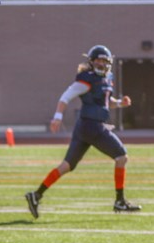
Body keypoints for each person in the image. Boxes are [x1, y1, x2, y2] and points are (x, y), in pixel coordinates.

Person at [25, 45, 140, 218]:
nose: (101, 64)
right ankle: (120, 201)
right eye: (98, 60)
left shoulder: (107, 78)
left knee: (67, 166)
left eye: (104, 61)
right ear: (92, 62)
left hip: (85, 127)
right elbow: (65, 97)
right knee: (121, 157)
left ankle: (36, 194)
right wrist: (57, 117)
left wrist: (120, 103)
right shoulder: (86, 79)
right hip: (92, 127)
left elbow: (106, 102)